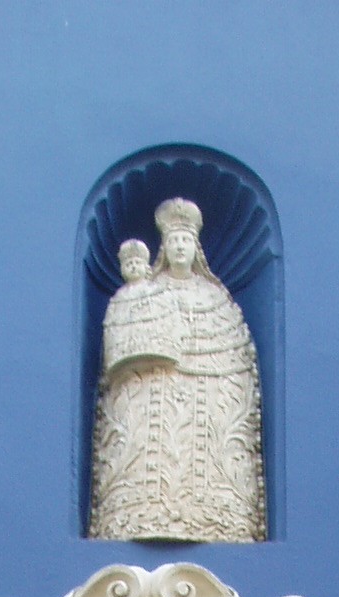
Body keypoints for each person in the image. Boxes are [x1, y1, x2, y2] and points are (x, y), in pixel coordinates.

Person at [89, 197, 266, 544]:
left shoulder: (216, 298)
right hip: (153, 398)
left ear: (196, 247)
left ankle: (212, 515)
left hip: (206, 401)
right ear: (164, 249)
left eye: (185, 240)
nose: (180, 247)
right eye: (174, 241)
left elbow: (237, 363)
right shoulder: (146, 292)